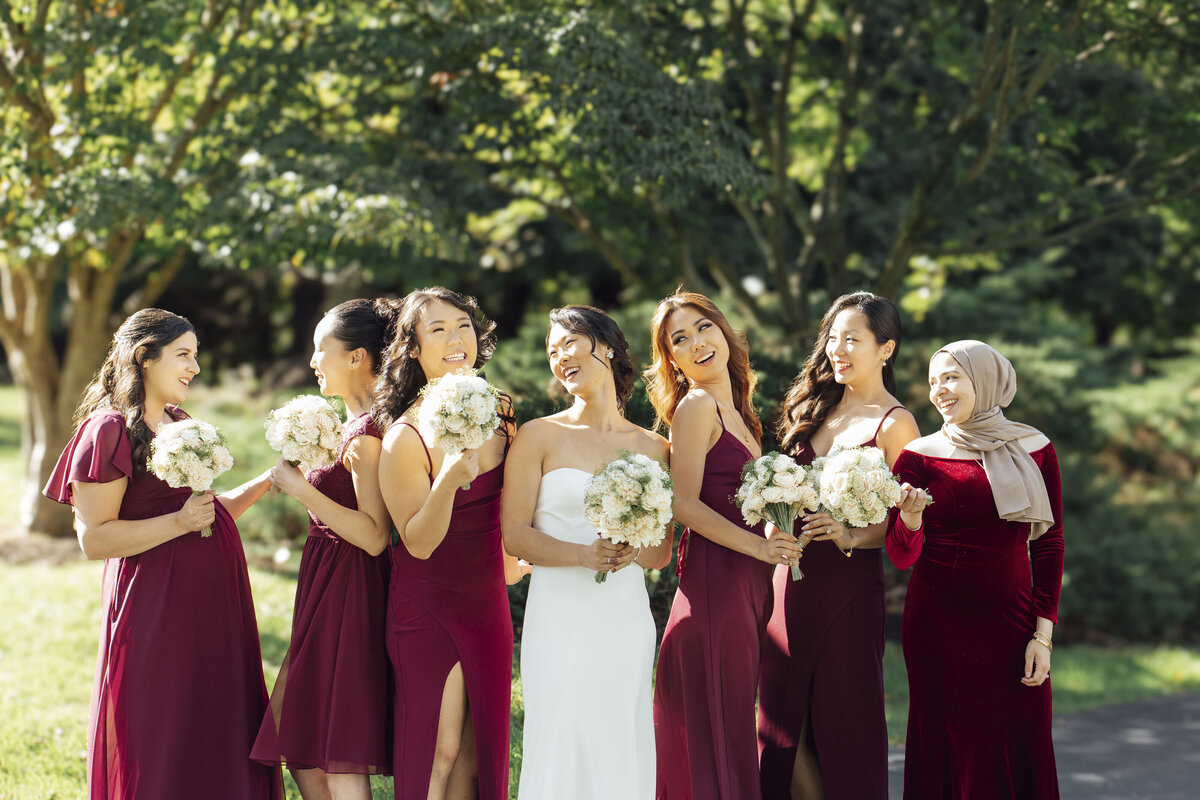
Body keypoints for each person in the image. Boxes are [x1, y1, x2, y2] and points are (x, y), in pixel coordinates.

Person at [42, 308, 282, 800]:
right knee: (161, 725)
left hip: (215, 604)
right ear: (144, 357)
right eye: (183, 355)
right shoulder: (107, 430)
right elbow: (95, 539)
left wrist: (274, 479)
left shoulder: (180, 421)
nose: (194, 366)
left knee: (214, 720)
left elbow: (206, 513)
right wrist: (177, 523)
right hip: (155, 603)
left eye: (195, 355)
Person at [502, 305, 672, 800]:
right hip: (559, 617)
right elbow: (514, 534)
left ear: (608, 347)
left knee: (622, 731)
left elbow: (660, 555)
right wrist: (582, 555)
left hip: (624, 618)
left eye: (568, 343)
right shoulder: (538, 435)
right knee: (561, 730)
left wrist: (629, 542)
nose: (559, 357)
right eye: (551, 351)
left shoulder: (654, 448)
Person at [757, 292, 919, 799]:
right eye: (832, 337)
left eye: (853, 339)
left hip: (847, 591)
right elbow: (778, 490)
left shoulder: (897, 424)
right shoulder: (811, 406)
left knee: (843, 726)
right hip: (788, 586)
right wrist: (770, 524)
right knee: (781, 725)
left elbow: (907, 522)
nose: (838, 349)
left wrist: (851, 535)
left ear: (885, 349)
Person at [887, 339, 1064, 799]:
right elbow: (901, 556)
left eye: (951, 377)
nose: (939, 390)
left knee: (1015, 744)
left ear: (983, 379)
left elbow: (1049, 544)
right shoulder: (917, 456)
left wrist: (1042, 635)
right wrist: (909, 520)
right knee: (948, 752)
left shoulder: (1036, 448)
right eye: (932, 381)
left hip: (1013, 624)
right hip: (937, 628)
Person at [647, 291, 803, 800]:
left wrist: (775, 532)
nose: (697, 342)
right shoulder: (695, 407)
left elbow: (738, 504)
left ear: (724, 332)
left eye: (703, 328)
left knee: (733, 725)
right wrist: (760, 550)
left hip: (748, 589)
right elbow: (685, 505)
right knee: (721, 730)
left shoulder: (739, 411)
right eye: (680, 339)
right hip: (715, 590)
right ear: (671, 359)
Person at [376, 287, 522, 800]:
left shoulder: (501, 409)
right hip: (429, 603)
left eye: (463, 325)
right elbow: (417, 542)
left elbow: (514, 502)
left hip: (487, 600)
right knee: (437, 749)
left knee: (478, 752)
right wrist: (449, 478)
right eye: (437, 330)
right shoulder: (403, 436)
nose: (456, 338)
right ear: (413, 349)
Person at [251, 299, 395, 797]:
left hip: (350, 586)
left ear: (356, 357)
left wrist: (301, 489)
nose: (313, 361)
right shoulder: (347, 425)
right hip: (323, 580)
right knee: (303, 739)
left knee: (334, 741)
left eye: (321, 349)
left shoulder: (369, 435)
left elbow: (375, 535)